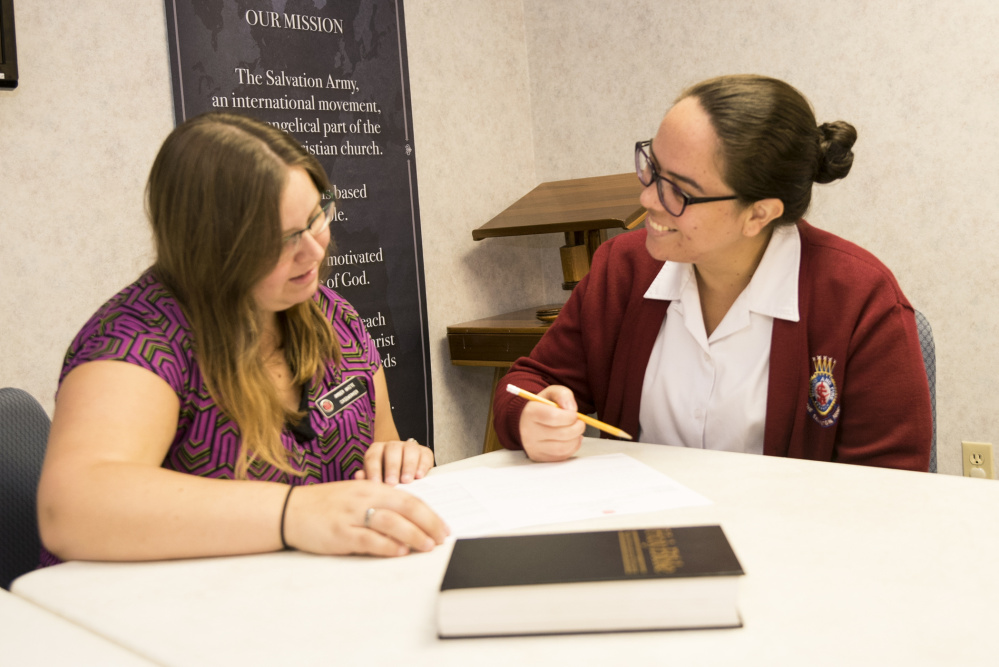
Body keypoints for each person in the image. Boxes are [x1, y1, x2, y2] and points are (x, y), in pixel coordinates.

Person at [37, 113, 448, 564]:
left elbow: (378, 448)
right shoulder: (138, 342)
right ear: (211, 247)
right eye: (282, 239)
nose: (315, 250)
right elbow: (72, 509)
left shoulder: (334, 317)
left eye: (317, 218)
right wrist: (295, 512)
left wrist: (395, 461)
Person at [492, 74, 932, 471]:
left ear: (758, 214)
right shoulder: (622, 269)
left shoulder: (860, 299)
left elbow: (889, 485)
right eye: (652, 168)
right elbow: (527, 383)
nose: (647, 199)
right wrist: (532, 416)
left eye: (679, 191)